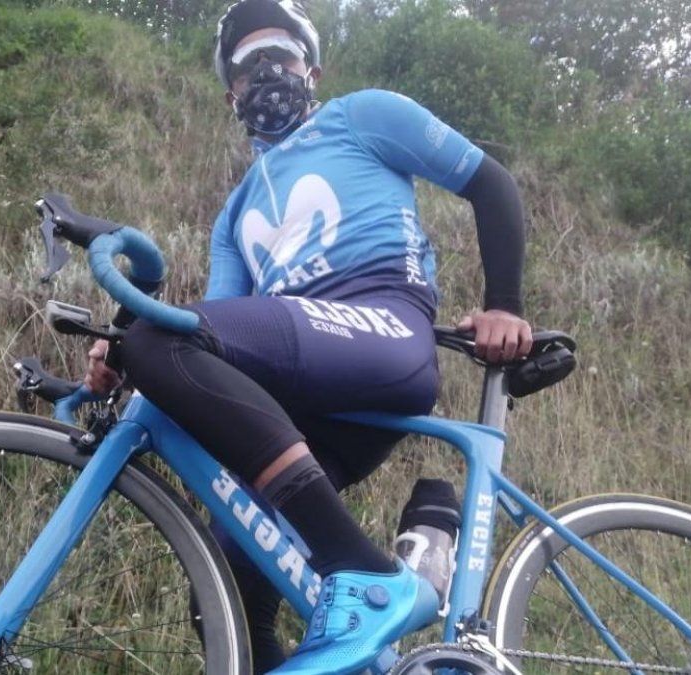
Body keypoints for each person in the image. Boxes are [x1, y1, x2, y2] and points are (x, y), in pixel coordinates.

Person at [85, 0, 532, 671]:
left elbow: (490, 184)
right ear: (230, 91)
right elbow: (212, 332)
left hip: (382, 323)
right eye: (246, 62)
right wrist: (127, 356)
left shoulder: (364, 115)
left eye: (282, 54)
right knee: (228, 590)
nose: (266, 69)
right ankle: (409, 566)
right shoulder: (234, 213)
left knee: (157, 339)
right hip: (304, 397)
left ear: (313, 69)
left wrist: (504, 304)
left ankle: (363, 569)